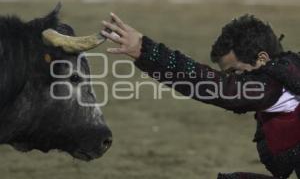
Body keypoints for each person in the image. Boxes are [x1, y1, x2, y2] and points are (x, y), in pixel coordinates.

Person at [101, 13, 300, 179]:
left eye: (235, 72)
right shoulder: (286, 76)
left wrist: (147, 51)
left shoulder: (274, 85)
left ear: (262, 59)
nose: (233, 79)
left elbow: (216, 86)